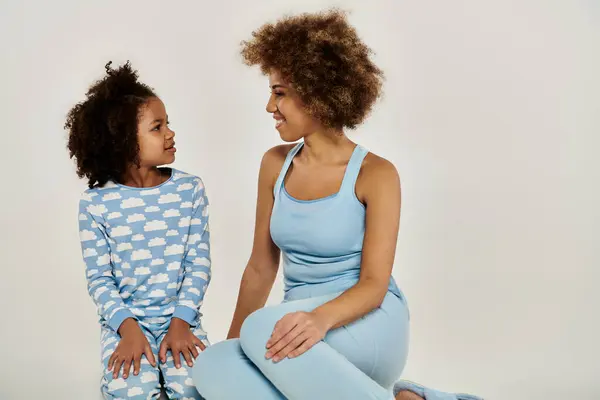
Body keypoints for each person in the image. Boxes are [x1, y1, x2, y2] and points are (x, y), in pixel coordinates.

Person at [193, 9, 409, 400]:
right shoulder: (275, 164)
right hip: (290, 329)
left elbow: (375, 286)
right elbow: (260, 269)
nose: (269, 107)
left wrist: (319, 319)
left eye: (279, 93)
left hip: (362, 323)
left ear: (318, 92)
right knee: (210, 364)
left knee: (261, 330)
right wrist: (232, 352)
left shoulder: (376, 174)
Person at [66, 61, 210, 399]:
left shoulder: (190, 190)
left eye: (167, 124)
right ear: (123, 141)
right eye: (157, 127)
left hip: (181, 319)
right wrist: (128, 332)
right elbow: (100, 279)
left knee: (195, 389)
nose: (170, 133)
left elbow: (198, 264)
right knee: (131, 392)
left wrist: (181, 322)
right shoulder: (96, 203)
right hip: (126, 325)